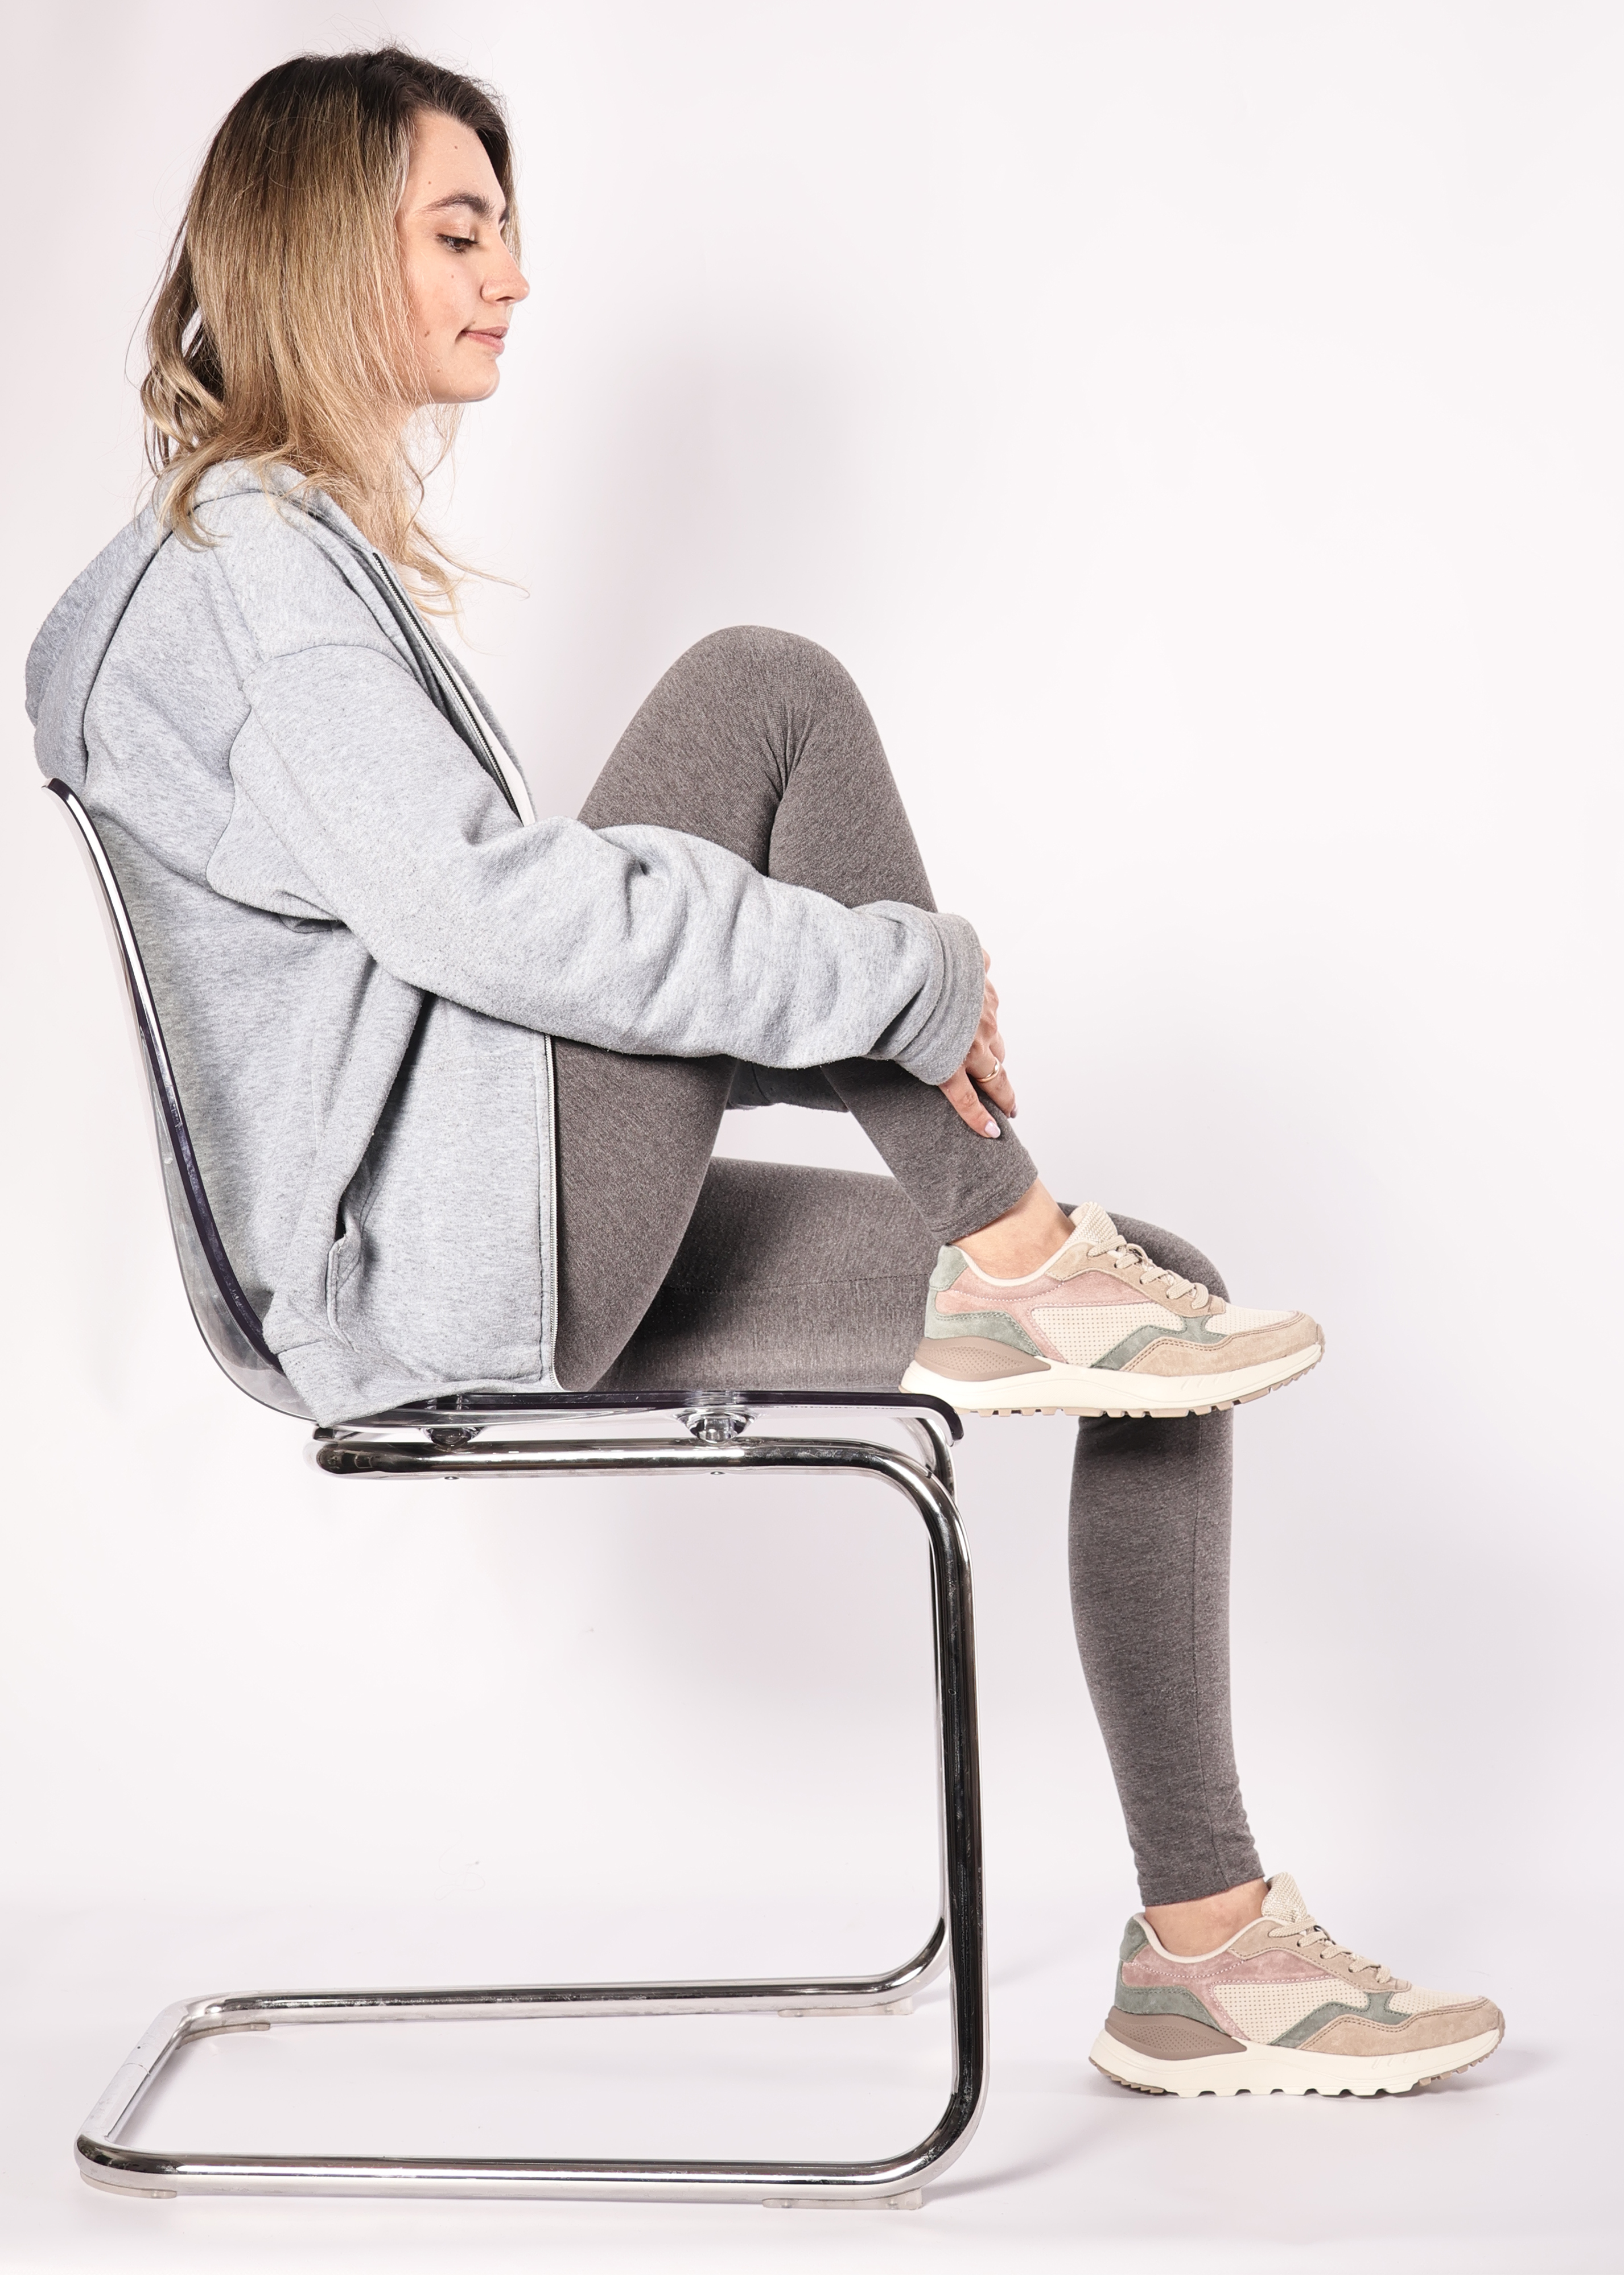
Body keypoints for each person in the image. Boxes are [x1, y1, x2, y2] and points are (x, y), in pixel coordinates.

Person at [26, 47, 1502, 2099]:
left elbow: (495, 982)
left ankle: (1207, 1952)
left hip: (493, 1213)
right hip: (445, 1258)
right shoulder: (248, 576)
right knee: (763, 691)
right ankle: (1017, 1251)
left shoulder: (268, 566)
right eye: (460, 232)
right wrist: (909, 980)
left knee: (1155, 1310)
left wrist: (877, 1012)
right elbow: (499, 927)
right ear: (319, 249)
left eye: (507, 232)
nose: (512, 277)